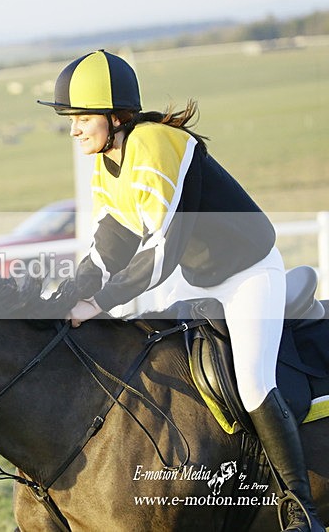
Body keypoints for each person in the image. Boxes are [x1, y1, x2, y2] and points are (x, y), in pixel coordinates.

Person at [38, 50, 323, 532]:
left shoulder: (154, 144)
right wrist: (71, 292)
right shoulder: (109, 163)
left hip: (251, 274)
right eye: (72, 119)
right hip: (206, 282)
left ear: (116, 116)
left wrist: (99, 302)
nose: (74, 129)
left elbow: (161, 254)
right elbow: (111, 242)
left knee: (253, 382)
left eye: (82, 117)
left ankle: (300, 510)